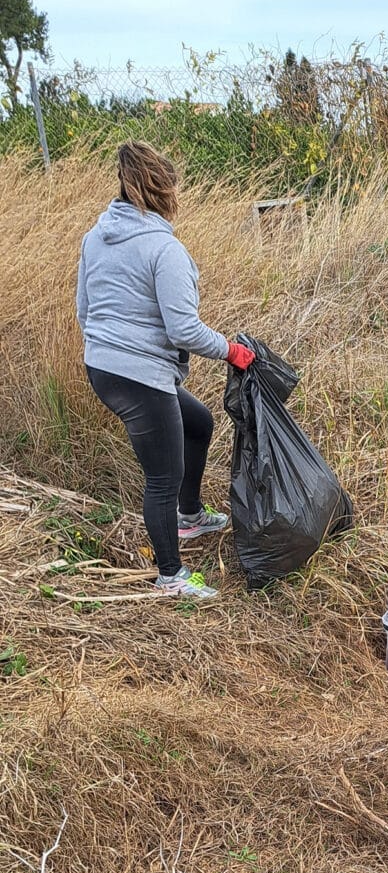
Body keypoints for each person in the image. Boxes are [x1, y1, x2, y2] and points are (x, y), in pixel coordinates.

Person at [76, 141, 255, 600]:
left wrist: (115, 349)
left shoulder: (95, 237)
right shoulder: (164, 249)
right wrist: (231, 351)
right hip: (139, 376)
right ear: (163, 191)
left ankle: (190, 516)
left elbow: (85, 311)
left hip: (102, 367)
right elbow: (184, 330)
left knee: (199, 422)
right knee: (162, 477)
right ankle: (171, 576)